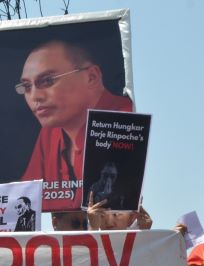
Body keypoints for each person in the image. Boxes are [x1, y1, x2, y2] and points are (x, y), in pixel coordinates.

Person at [18, 40, 132, 191]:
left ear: (91, 77)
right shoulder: (50, 131)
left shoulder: (124, 122)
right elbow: (25, 195)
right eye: (27, 86)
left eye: (47, 81)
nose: (34, 96)